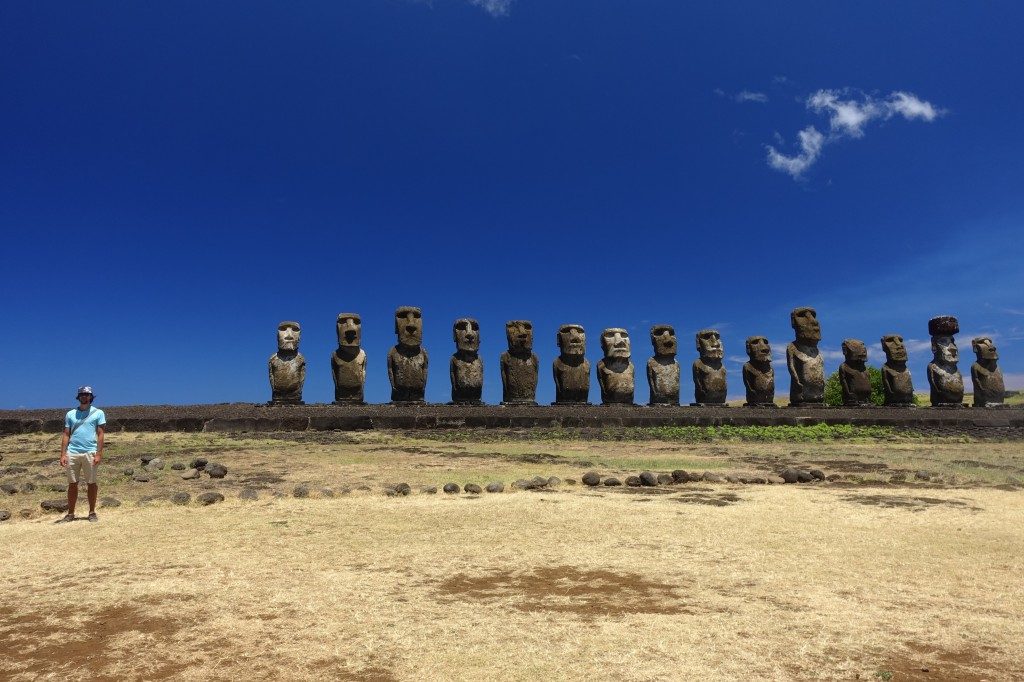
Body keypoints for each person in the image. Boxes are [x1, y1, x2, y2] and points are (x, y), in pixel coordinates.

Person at [57, 386, 106, 523]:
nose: (84, 396)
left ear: (91, 396)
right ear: (78, 397)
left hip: (90, 451)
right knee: (72, 483)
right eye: (82, 394)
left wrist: (98, 453)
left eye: (87, 394)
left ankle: (92, 512)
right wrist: (63, 454)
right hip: (72, 452)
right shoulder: (70, 414)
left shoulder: (98, 413)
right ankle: (71, 513)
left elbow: (101, 434)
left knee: (91, 483)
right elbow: (66, 434)